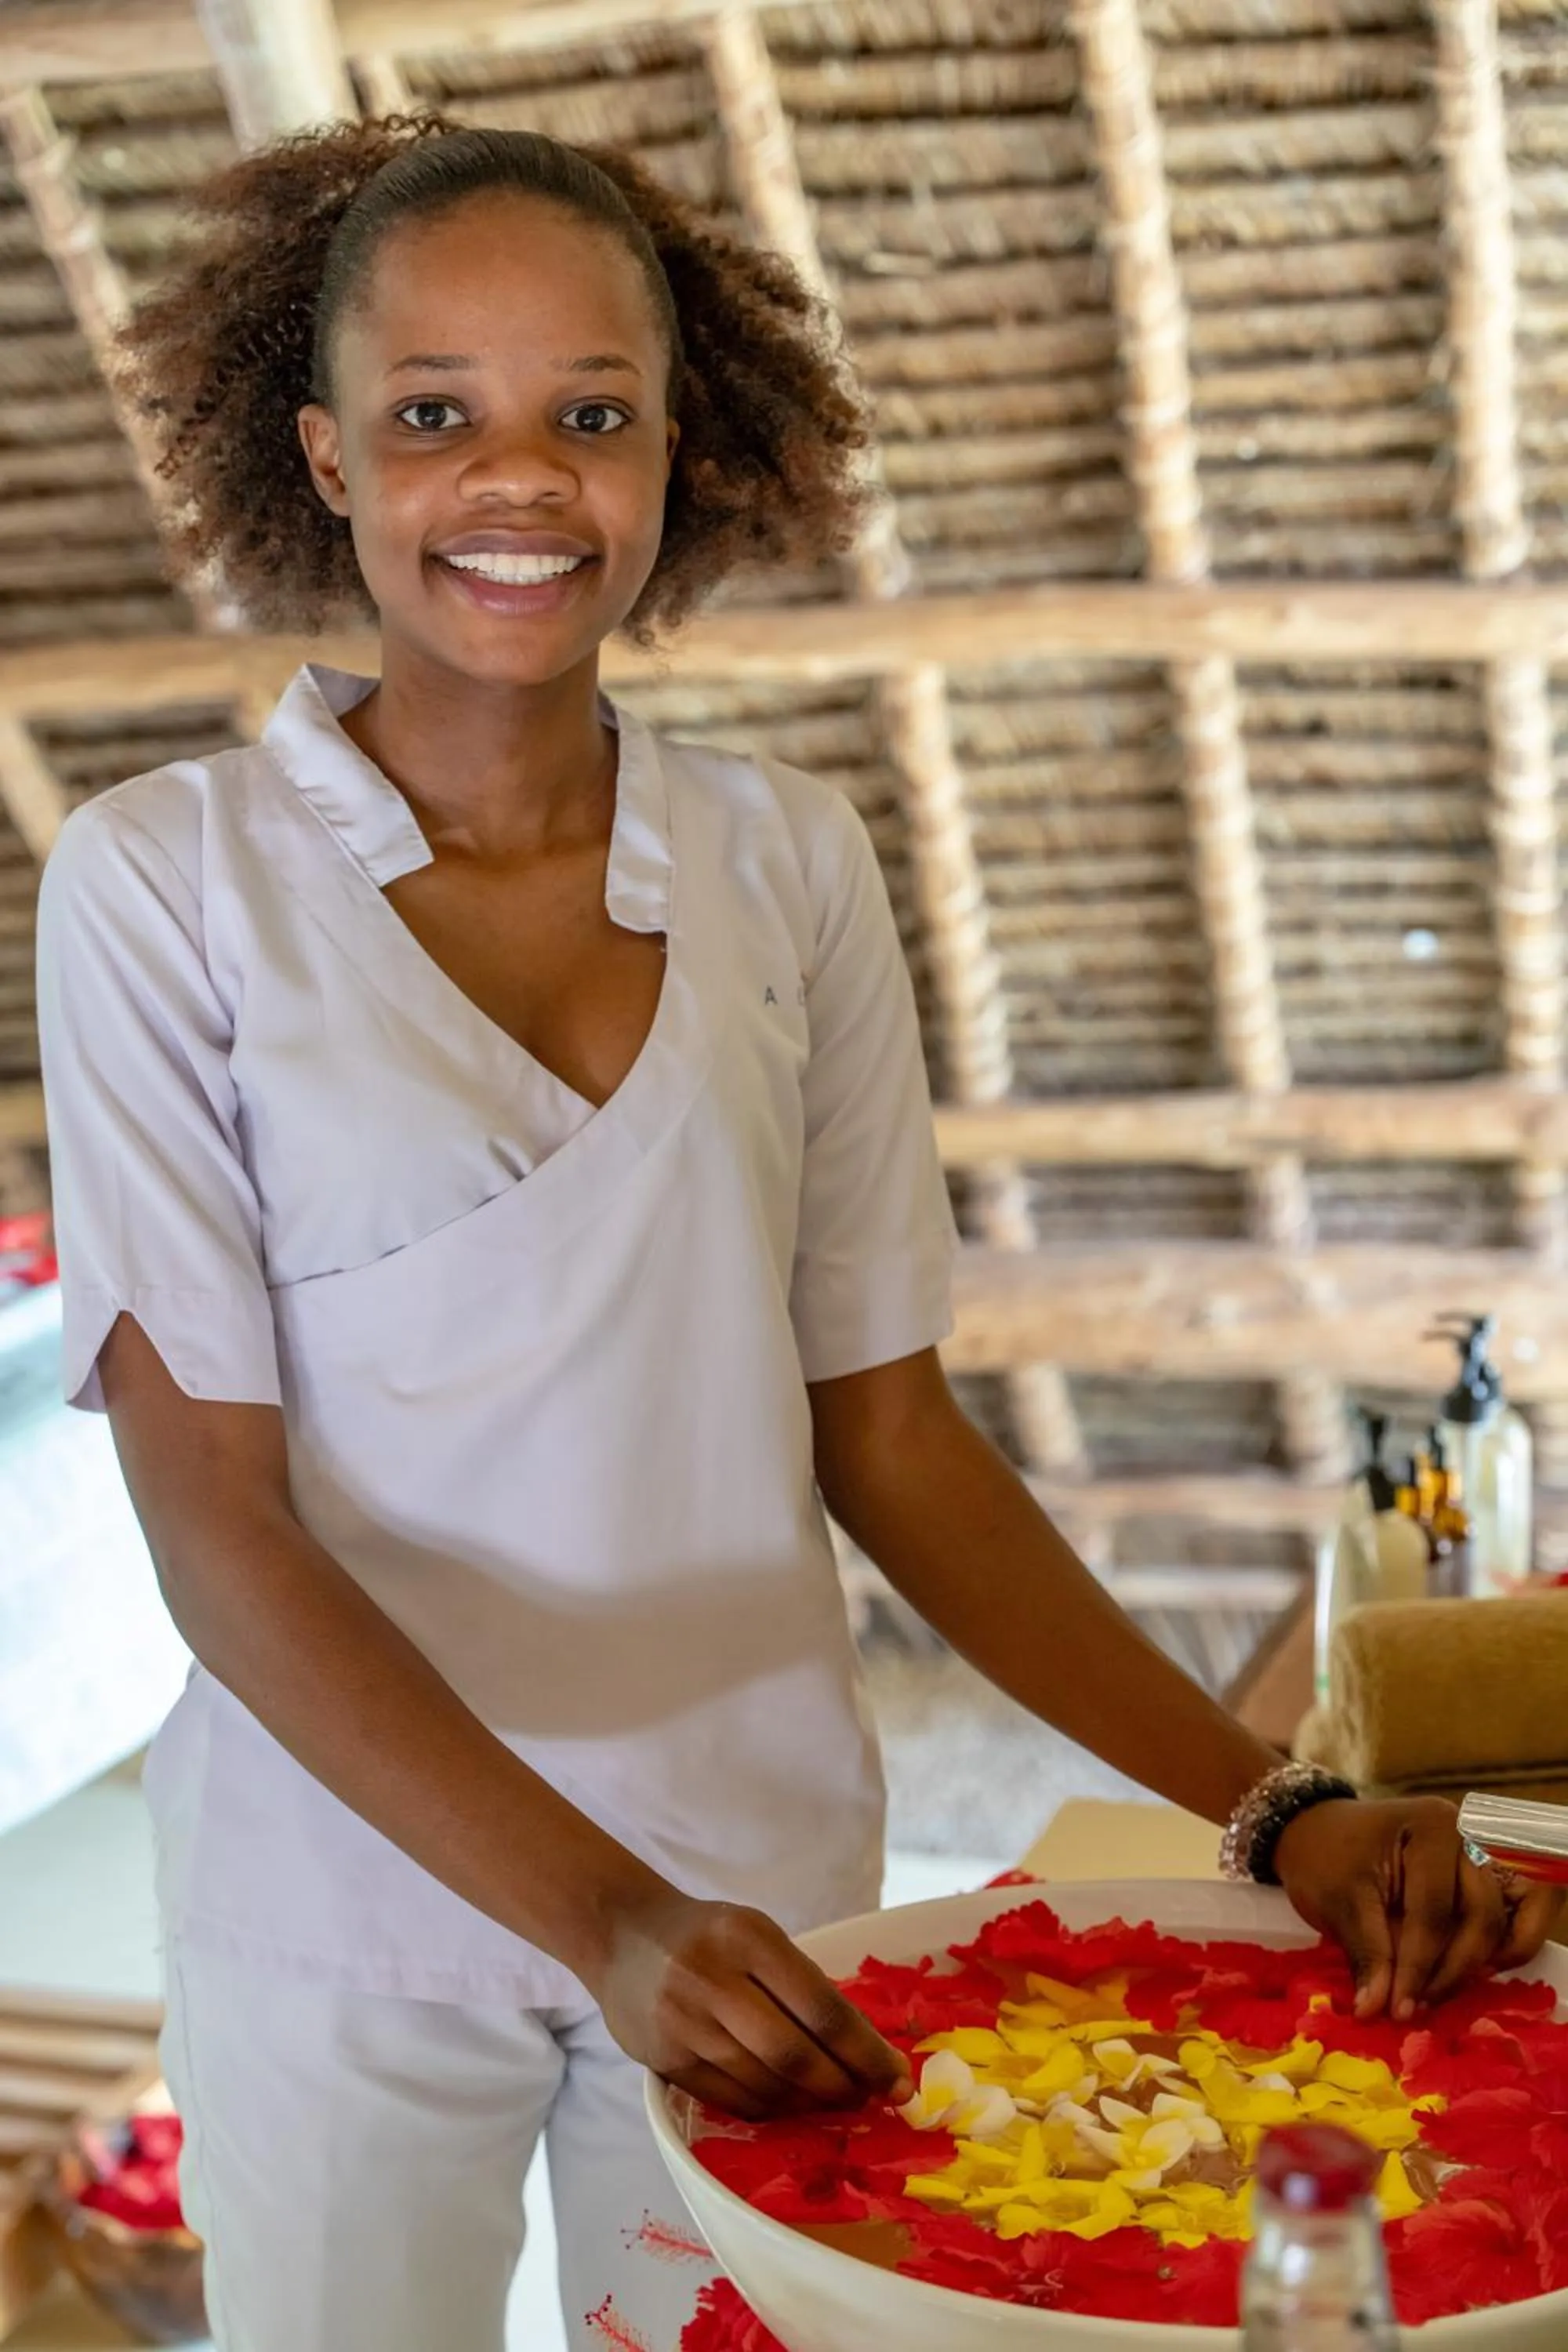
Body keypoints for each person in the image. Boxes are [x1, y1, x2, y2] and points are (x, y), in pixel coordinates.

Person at [34, 117, 1558, 2352]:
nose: (522, 479)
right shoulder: (167, 886)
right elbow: (215, 1523)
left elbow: (900, 1442)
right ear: (330, 461)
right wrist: (602, 1918)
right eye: (434, 414)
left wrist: (1280, 1811)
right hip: (347, 1899)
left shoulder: (785, 863)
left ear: (677, 449)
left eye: (592, 412)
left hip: (764, 1894)